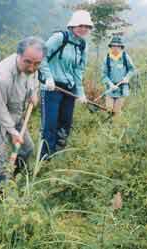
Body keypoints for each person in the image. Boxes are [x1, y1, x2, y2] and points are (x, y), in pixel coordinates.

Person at [0, 36, 46, 186]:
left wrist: (33, 93)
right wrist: (12, 131)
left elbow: (33, 77)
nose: (31, 68)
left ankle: (13, 177)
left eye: (37, 64)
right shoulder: (2, 78)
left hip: (14, 111)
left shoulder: (32, 65)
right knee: (0, 155)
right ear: (19, 55)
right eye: (27, 62)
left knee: (27, 148)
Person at [39, 10, 93, 159]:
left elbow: (78, 70)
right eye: (81, 25)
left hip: (69, 89)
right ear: (73, 25)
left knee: (65, 125)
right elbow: (41, 57)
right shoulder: (59, 38)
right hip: (52, 87)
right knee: (49, 125)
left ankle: (57, 158)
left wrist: (80, 92)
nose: (84, 29)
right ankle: (44, 159)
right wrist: (48, 77)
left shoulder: (82, 45)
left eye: (87, 26)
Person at [101, 36, 135, 117]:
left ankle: (117, 127)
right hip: (110, 89)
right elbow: (103, 75)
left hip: (122, 89)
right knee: (109, 110)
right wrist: (110, 84)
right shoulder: (107, 58)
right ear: (111, 47)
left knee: (116, 112)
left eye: (117, 46)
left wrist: (127, 78)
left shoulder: (125, 57)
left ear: (121, 47)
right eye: (113, 46)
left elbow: (132, 70)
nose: (115, 48)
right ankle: (108, 127)